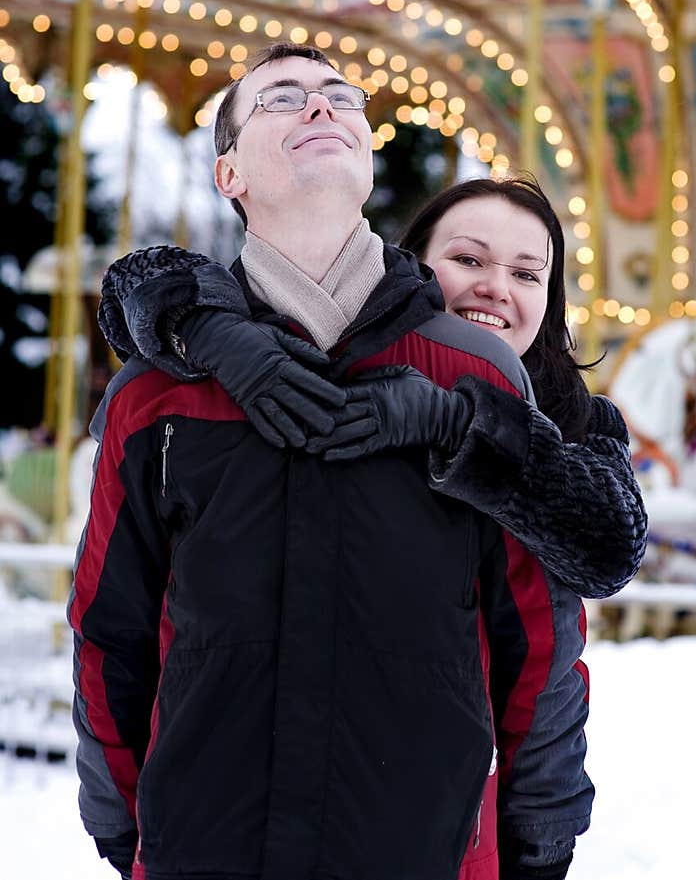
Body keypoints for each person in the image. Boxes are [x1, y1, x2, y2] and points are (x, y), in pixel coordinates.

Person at [70, 42, 596, 880]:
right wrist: (136, 830)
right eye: (281, 98)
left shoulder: (473, 379)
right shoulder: (159, 395)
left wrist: (536, 845)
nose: (320, 107)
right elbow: (108, 632)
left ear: (365, 149)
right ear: (229, 171)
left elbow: (538, 646)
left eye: (340, 95)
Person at [98, 186, 647, 602]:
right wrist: (203, 325)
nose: (496, 288)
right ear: (413, 266)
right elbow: (133, 280)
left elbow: (611, 552)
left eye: (527, 275)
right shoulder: (349, 357)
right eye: (468, 260)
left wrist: (458, 424)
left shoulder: (578, 419)